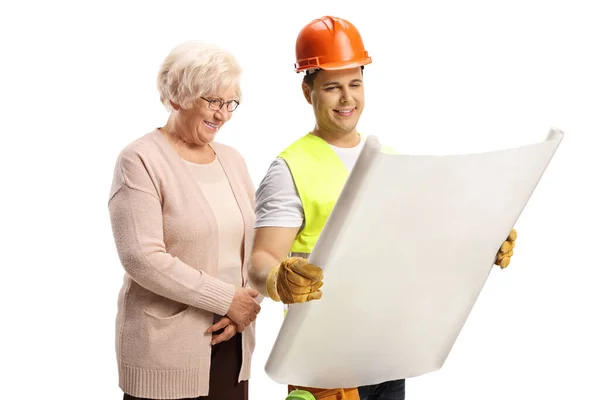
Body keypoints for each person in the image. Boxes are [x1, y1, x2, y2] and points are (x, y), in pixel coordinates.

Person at [248, 16, 518, 400]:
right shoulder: (290, 167)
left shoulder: (388, 159)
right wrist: (277, 278)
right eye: (332, 88)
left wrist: (481, 240)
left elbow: (420, 245)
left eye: (355, 84)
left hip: (387, 353)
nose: (347, 98)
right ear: (308, 92)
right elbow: (259, 259)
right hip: (324, 363)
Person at [108, 41, 261, 400]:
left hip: (232, 336)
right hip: (166, 347)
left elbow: (253, 246)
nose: (223, 115)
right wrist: (227, 299)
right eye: (212, 101)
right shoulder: (140, 159)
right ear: (177, 97)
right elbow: (142, 258)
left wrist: (248, 305)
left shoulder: (233, 160)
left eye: (230, 103)